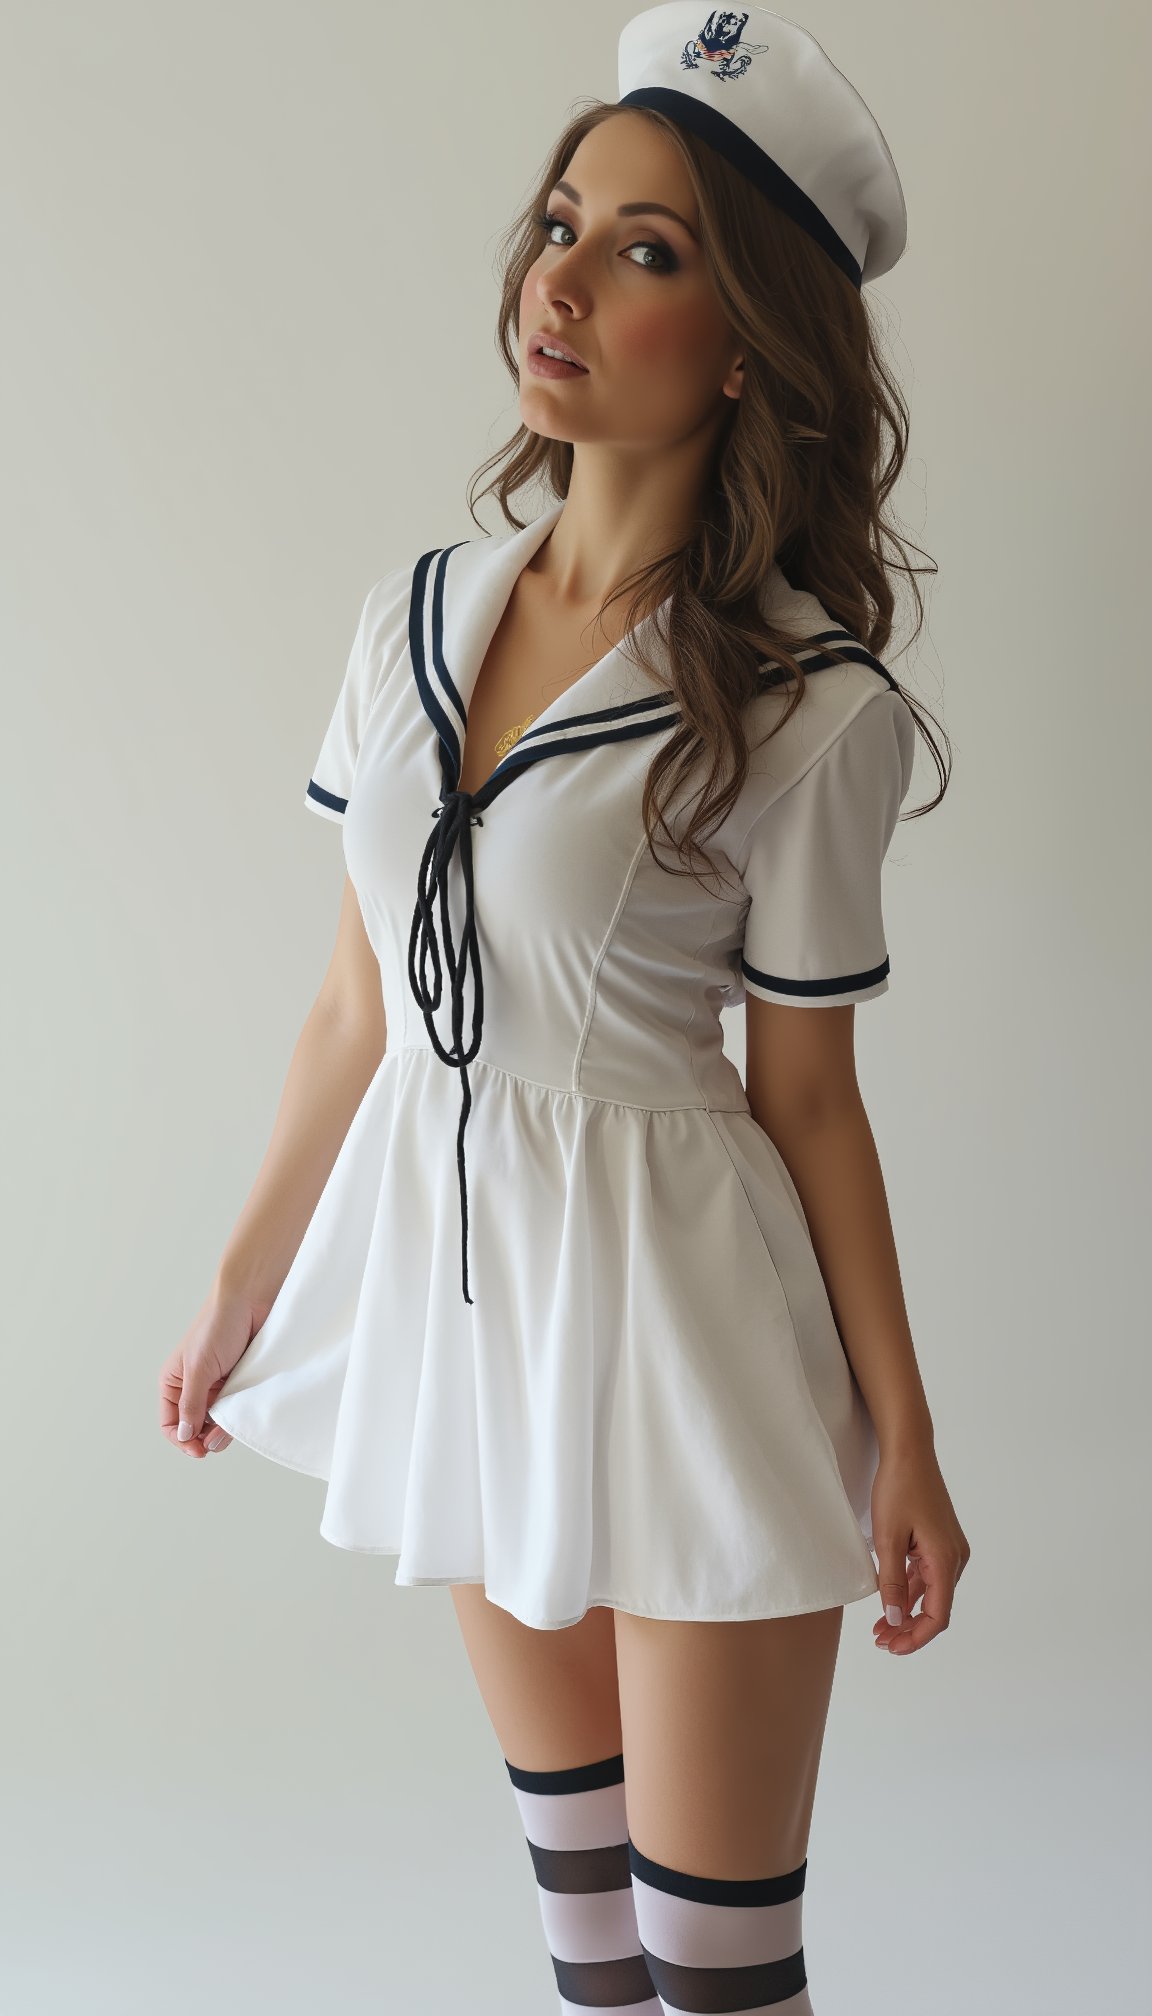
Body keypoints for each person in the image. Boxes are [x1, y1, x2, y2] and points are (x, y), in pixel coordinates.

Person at [160, 6, 970, 2008]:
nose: (564, 274)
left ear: (752, 333)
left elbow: (809, 1099)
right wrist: (240, 1288)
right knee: (592, 1951)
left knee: (714, 1976)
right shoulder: (411, 615)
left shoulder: (804, 700)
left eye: (650, 248)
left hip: (686, 1341)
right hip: (465, 1321)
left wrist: (905, 1439)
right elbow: (356, 1007)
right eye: (563, 218)